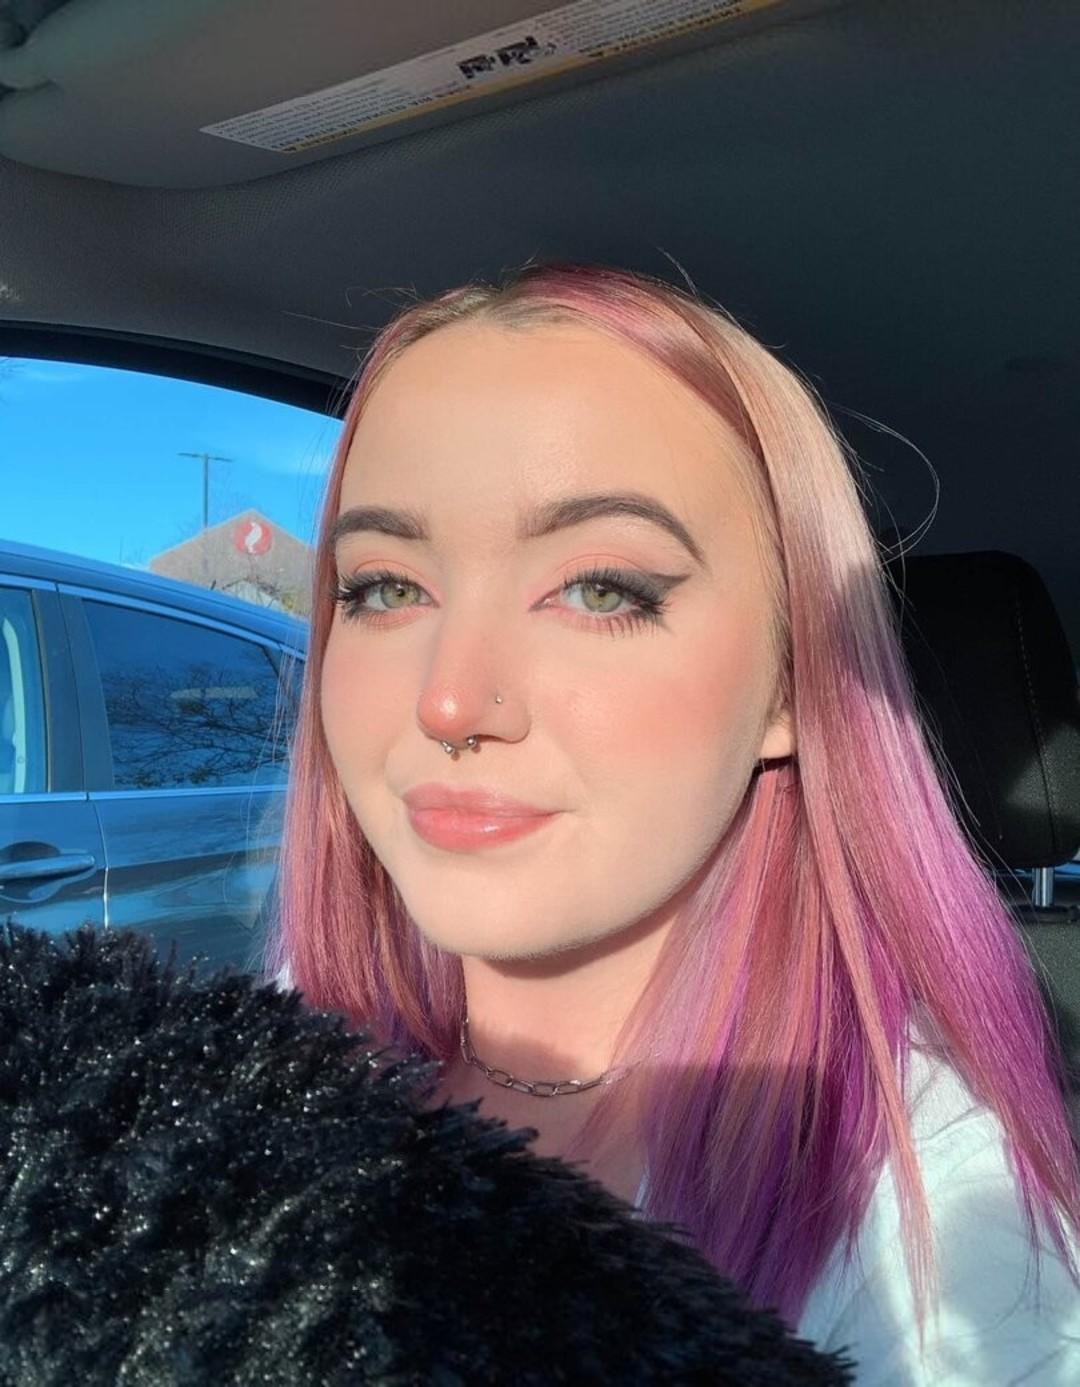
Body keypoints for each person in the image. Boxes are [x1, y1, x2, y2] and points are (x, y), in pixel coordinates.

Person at [265, 262, 1080, 1382]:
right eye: (385, 588)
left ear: (791, 684)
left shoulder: (943, 1235)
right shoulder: (276, 1050)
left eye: (600, 588)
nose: (447, 702)